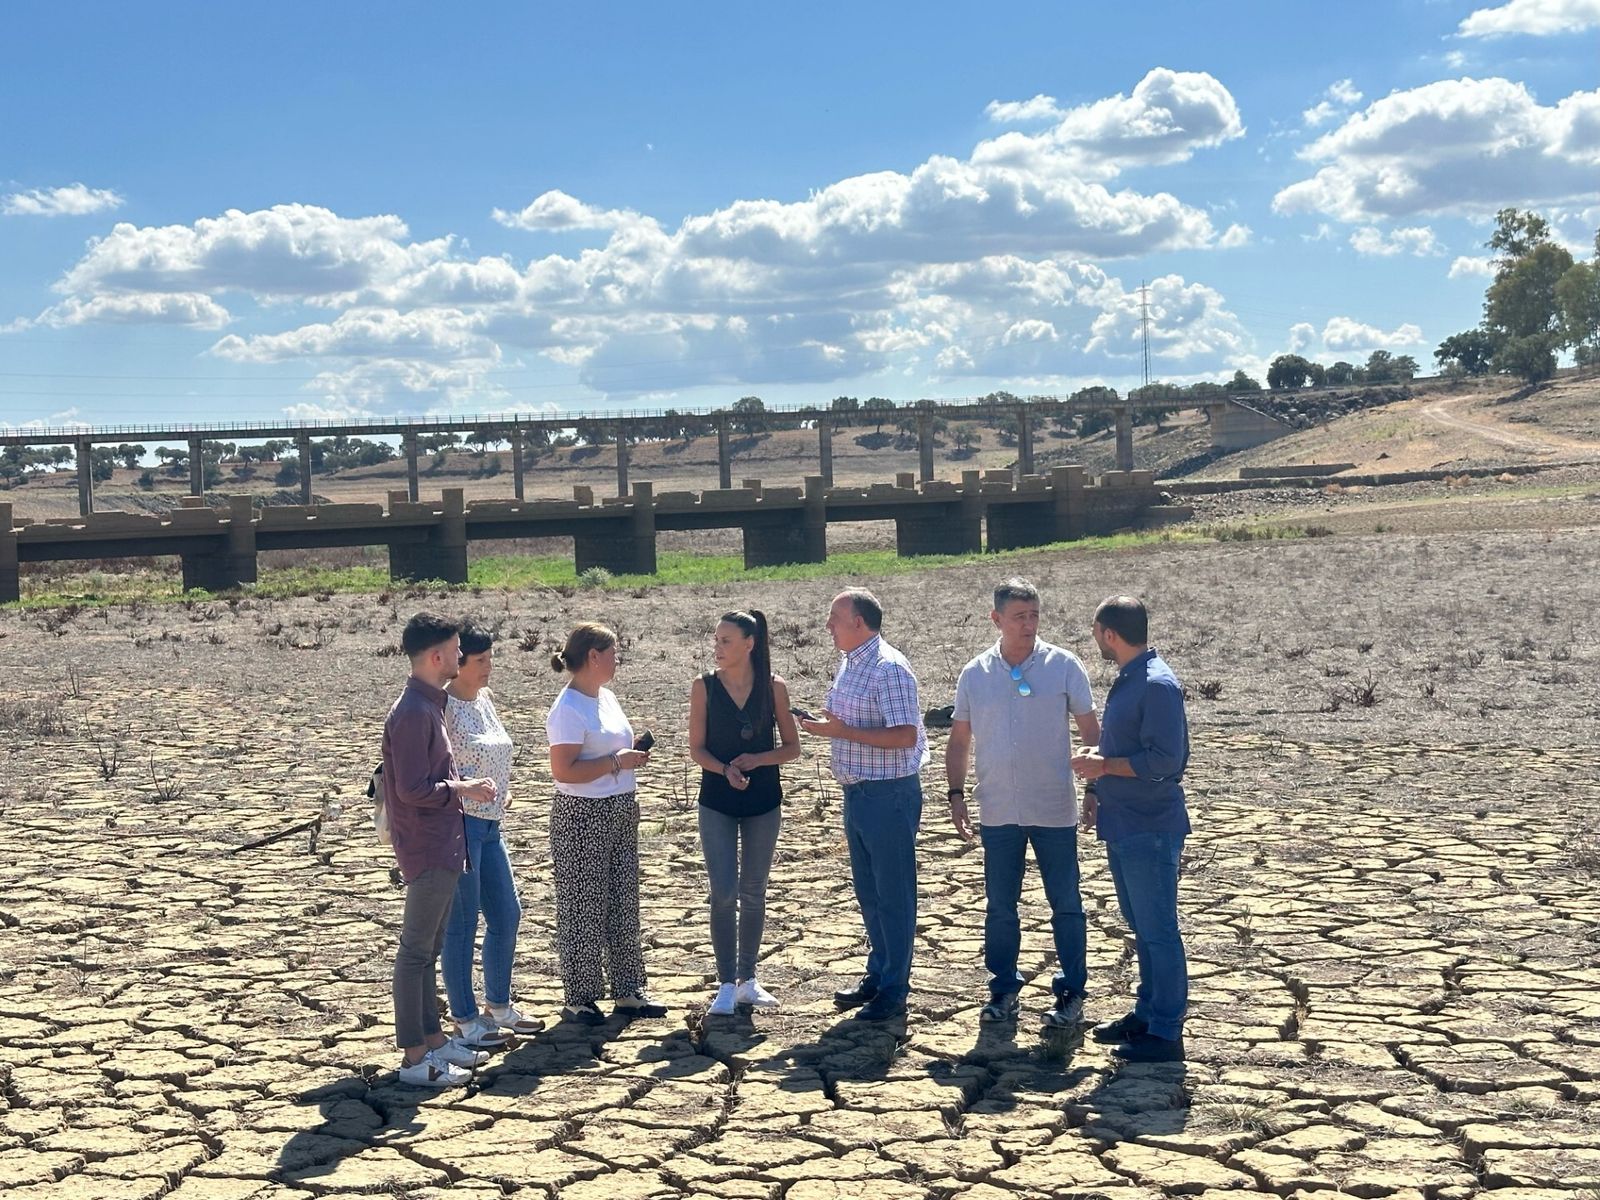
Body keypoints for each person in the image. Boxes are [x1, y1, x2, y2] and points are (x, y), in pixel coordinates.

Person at [946, 578, 1100, 1028]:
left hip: (1054, 808)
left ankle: (1071, 992)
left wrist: (1094, 789)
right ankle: (1003, 989)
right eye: (1019, 617)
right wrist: (956, 794)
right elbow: (959, 741)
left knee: (1066, 902)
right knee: (1000, 905)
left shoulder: (1063, 666)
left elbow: (1091, 732)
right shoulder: (975, 673)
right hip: (998, 810)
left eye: (1034, 615)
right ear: (996, 619)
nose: (1029, 624)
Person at [383, 612, 502, 1087]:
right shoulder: (413, 711)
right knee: (415, 952)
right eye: (455, 649)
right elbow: (413, 789)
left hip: (443, 844)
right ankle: (415, 1059)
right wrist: (463, 788)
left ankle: (434, 1041)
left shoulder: (428, 704)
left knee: (428, 948)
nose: (460, 655)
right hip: (429, 846)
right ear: (436, 656)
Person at [1071, 596, 1191, 1063]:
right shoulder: (1132, 679)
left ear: (1108, 633)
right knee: (1142, 925)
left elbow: (1166, 761)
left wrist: (1103, 767)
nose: (1096, 641)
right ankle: (1147, 1012)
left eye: (1096, 633)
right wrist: (1100, 787)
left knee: (1158, 928)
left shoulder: (1156, 684)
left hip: (1150, 824)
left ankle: (1166, 1031)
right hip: (1124, 822)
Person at [799, 588, 927, 1023]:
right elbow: (851, 723)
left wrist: (839, 732)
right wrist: (826, 726)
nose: (828, 625)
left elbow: (905, 735)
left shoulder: (887, 667)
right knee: (870, 894)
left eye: (835, 617)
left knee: (893, 895)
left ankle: (894, 990)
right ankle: (880, 973)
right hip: (858, 792)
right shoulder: (852, 661)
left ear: (858, 622)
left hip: (888, 794)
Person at [546, 621, 667, 1024]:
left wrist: (629, 757)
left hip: (619, 807)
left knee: (622, 899)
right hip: (582, 815)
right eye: (612, 652)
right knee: (583, 903)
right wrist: (618, 762)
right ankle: (579, 997)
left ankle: (629, 989)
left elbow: (611, 749)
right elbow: (564, 771)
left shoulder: (607, 697)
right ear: (593, 657)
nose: (617, 660)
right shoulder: (567, 708)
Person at [687, 610, 802, 1016]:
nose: (717, 648)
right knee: (724, 891)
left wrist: (756, 759)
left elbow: (792, 748)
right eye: (716, 640)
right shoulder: (704, 687)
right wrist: (724, 769)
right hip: (717, 801)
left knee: (753, 891)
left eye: (726, 641)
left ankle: (748, 981)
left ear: (749, 644)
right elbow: (696, 748)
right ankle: (723, 983)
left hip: (763, 802)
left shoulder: (774, 688)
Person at [440, 622, 545, 1049]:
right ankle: (464, 1019)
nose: (489, 667)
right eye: (481, 661)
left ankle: (498, 1006)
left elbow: (495, 751)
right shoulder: (443, 707)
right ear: (458, 663)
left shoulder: (483, 699)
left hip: (491, 824)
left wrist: (505, 785)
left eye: (490, 659)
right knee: (462, 925)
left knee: (507, 913)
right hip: (459, 824)